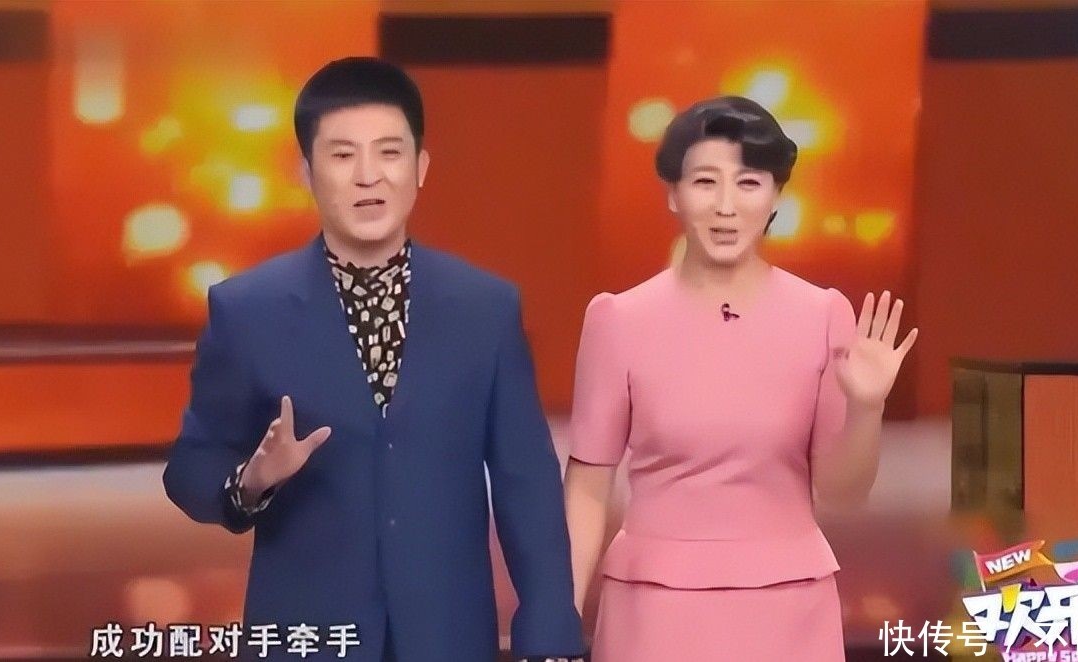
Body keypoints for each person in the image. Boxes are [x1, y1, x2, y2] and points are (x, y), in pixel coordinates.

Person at [162, 57, 585, 662]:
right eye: (342, 155)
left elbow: (528, 486)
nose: (369, 177)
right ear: (307, 172)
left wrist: (549, 637)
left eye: (389, 153)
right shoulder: (247, 310)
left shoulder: (485, 309)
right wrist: (252, 481)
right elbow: (190, 467)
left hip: (447, 638)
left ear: (421, 168)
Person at [562, 96, 918, 661]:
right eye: (705, 182)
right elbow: (586, 488)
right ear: (673, 193)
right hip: (655, 609)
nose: (726, 206)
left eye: (749, 183)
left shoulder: (823, 314)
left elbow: (844, 492)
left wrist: (866, 408)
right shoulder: (618, 319)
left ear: (776, 195)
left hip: (788, 607)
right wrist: (559, 618)